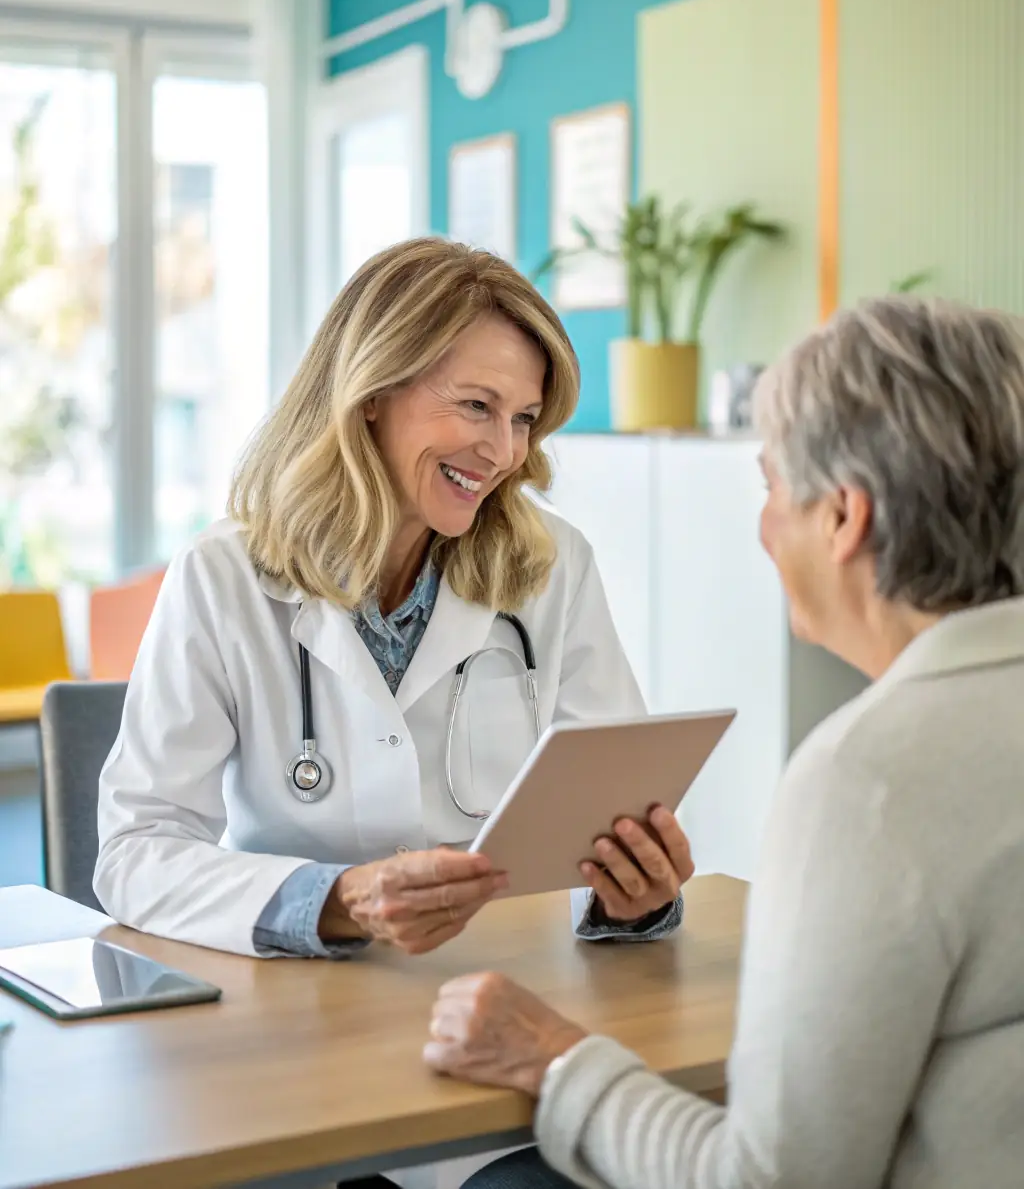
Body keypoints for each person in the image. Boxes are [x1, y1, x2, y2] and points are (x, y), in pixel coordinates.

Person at [426, 297, 1024, 1189]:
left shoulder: (868, 778)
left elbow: (771, 1182)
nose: (761, 526)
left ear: (844, 518)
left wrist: (553, 1057)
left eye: (773, 486)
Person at [94, 238, 694, 973]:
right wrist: (335, 899)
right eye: (477, 405)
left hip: (500, 988)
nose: (503, 451)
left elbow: (607, 820)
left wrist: (631, 898)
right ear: (372, 391)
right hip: (296, 1008)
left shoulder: (551, 566)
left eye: (524, 418)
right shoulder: (225, 576)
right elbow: (135, 851)